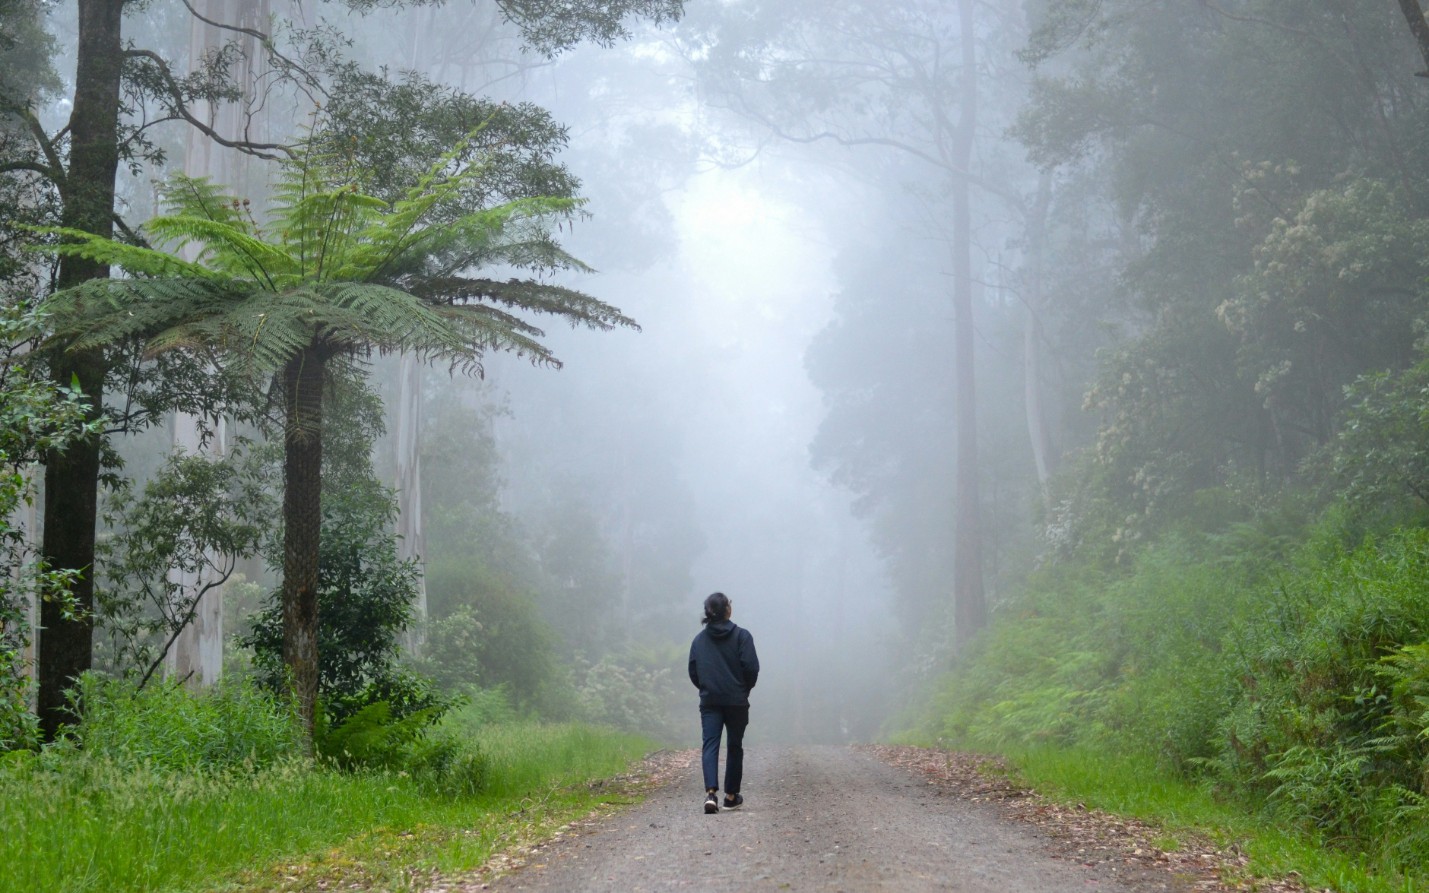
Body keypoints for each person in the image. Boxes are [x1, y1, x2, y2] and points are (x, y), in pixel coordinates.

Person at [688, 591, 759, 814]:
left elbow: (693, 671)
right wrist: (743, 690)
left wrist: (707, 688)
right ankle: (730, 795)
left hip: (710, 701)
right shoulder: (742, 636)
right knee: (734, 746)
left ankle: (711, 794)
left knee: (710, 744)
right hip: (737, 701)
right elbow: (752, 668)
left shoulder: (699, 641)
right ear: (728, 609)